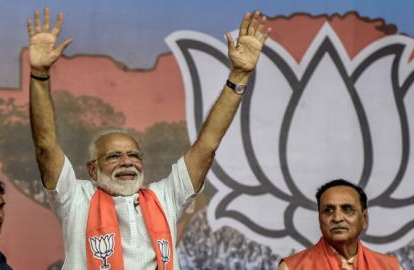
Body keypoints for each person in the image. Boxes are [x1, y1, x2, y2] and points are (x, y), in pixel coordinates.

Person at [27, 7, 270, 270]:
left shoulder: (164, 198)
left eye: (133, 155)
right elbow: (45, 146)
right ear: (92, 170)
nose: (127, 162)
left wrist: (239, 76)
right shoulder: (75, 198)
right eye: (113, 156)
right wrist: (40, 74)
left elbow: (207, 146)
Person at [277, 179, 403, 270]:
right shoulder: (292, 267)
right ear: (319, 218)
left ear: (364, 219)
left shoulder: (390, 267)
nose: (337, 218)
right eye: (328, 210)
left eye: (347, 209)